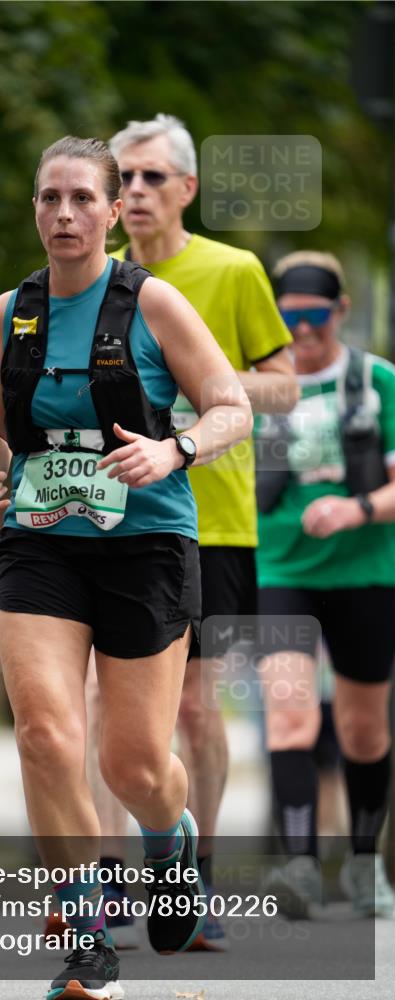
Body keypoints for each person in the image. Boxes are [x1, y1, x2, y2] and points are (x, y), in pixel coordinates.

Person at [0, 135, 252, 1000]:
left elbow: (232, 406)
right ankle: (88, 940)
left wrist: (176, 451)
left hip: (145, 546)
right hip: (39, 541)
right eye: (49, 198)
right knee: (46, 735)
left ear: (112, 206)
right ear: (34, 209)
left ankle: (170, 847)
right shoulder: (8, 313)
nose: (64, 214)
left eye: (82, 198)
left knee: (133, 764)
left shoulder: (153, 303)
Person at [79, 113, 298, 952]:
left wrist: (197, 385)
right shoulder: (95, 278)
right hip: (117, 521)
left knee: (197, 715)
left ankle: (190, 881)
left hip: (214, 521)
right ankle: (109, 881)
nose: (133, 192)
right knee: (108, 710)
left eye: (149, 179)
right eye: (122, 180)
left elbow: (281, 389)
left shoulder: (232, 270)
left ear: (186, 189)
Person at [255, 251, 395, 918]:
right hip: (277, 571)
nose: (303, 332)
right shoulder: (257, 389)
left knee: (363, 730)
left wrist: (355, 510)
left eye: (314, 316)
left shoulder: (375, 383)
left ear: (339, 311)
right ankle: (300, 867)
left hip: (364, 571)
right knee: (288, 716)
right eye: (289, 319)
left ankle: (364, 865)